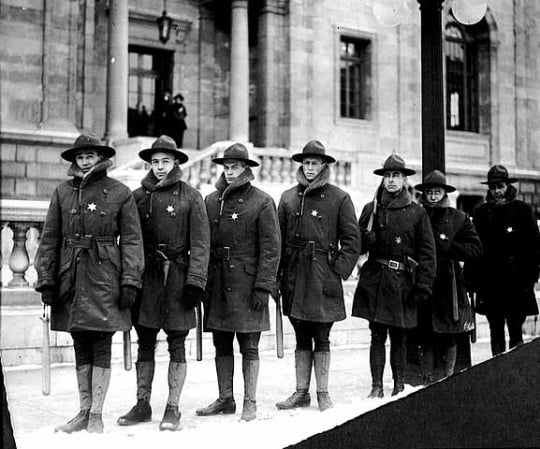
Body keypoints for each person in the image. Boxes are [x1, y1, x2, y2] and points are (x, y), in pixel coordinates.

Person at [34, 134, 144, 433]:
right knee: (79, 341)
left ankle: (96, 413)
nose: (85, 160)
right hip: (71, 276)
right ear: (74, 160)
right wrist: (46, 278)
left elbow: (133, 241)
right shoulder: (62, 193)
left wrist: (130, 280)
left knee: (101, 342)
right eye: (80, 156)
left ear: (100, 157)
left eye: (90, 155)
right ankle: (83, 411)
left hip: (105, 276)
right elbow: (50, 238)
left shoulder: (119, 192)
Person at [117, 135, 210, 431]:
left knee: (177, 343)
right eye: (155, 162)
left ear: (176, 163)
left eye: (165, 162)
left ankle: (173, 408)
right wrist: (129, 280)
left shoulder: (191, 196)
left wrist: (195, 282)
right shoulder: (137, 196)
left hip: (178, 279)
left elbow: (201, 243)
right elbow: (127, 241)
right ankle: (142, 404)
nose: (159, 167)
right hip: (147, 278)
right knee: (145, 341)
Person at [196, 143, 280, 422]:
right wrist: (200, 282)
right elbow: (202, 244)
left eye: (235, 167)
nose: (230, 173)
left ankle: (250, 401)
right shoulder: (211, 201)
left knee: (249, 346)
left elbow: (271, 249)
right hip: (218, 282)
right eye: (226, 167)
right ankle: (225, 398)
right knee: (221, 343)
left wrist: (263, 286)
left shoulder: (262, 201)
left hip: (247, 284)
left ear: (246, 169)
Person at [275, 140, 361, 412]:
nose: (310, 168)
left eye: (315, 163)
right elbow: (276, 240)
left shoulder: (339, 198)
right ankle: (301, 392)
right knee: (300, 335)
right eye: (307, 163)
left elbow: (352, 239)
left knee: (322, 336)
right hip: (295, 275)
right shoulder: (288, 197)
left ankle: (322, 392)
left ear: (324, 165)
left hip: (324, 275)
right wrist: (277, 277)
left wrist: (339, 270)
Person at [352, 154, 436, 398]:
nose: (390, 181)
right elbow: (355, 246)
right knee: (376, 335)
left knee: (399, 337)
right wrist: (363, 240)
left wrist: (423, 285)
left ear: (404, 179)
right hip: (376, 280)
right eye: (387, 176)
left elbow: (427, 253)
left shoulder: (417, 213)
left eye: (395, 176)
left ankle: (398, 385)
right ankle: (376, 387)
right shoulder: (372, 209)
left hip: (402, 283)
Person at [464, 165, 540, 356]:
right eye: (493, 187)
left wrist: (530, 278)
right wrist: (471, 281)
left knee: (516, 331)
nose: (497, 191)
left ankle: (516, 377)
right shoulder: (481, 213)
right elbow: (474, 249)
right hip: (491, 286)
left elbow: (534, 247)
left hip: (517, 284)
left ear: (508, 186)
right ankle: (497, 377)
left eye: (500, 186)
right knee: (495, 330)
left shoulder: (522, 210)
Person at [414, 170, 482, 382]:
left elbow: (475, 248)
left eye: (437, 192)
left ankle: (447, 377)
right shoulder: (417, 215)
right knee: (425, 333)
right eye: (429, 192)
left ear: (445, 193)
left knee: (449, 333)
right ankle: (427, 378)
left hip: (448, 283)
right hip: (423, 281)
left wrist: (451, 248)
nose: (433, 196)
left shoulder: (458, 218)